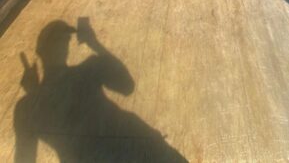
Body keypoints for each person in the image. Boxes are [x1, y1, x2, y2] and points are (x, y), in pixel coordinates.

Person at [14, 20, 187, 162]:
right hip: (144, 147)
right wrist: (94, 43)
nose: (63, 45)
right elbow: (127, 86)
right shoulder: (87, 71)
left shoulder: (27, 107)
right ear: (41, 50)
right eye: (59, 40)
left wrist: (35, 94)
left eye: (65, 40)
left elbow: (25, 156)